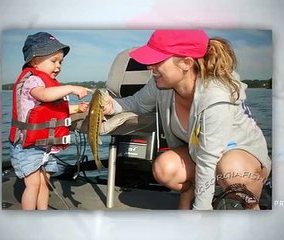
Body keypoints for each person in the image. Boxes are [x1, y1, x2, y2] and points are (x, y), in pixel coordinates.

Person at [103, 30, 271, 210]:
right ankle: (191, 193)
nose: (149, 67)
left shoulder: (216, 96)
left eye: (157, 60)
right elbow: (136, 103)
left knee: (231, 170)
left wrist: (200, 213)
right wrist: (111, 105)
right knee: (165, 168)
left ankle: (251, 208)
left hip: (238, 158)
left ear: (186, 63)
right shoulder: (160, 85)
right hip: (199, 155)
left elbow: (208, 159)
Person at [8, 32, 90, 210]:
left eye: (61, 62)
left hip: (44, 146)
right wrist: (70, 88)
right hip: (27, 147)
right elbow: (44, 96)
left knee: (44, 182)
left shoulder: (49, 83)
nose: (58, 66)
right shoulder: (32, 81)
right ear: (35, 60)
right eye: (54, 60)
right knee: (33, 184)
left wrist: (77, 108)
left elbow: (51, 111)